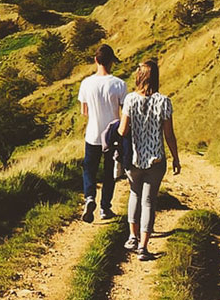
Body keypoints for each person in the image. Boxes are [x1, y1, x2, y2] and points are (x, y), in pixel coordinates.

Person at [119, 58, 180, 260]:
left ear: (139, 76)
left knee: (134, 195)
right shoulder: (164, 102)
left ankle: (132, 236)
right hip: (156, 159)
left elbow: (123, 130)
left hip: (134, 158)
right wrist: (176, 158)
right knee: (148, 202)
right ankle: (143, 247)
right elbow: (169, 135)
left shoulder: (129, 100)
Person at [77, 44, 127, 222]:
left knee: (89, 169)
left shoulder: (86, 83)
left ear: (95, 60)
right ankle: (105, 207)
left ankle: (90, 197)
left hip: (93, 133)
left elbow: (84, 111)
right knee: (108, 173)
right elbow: (125, 112)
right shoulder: (119, 84)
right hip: (112, 135)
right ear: (112, 62)